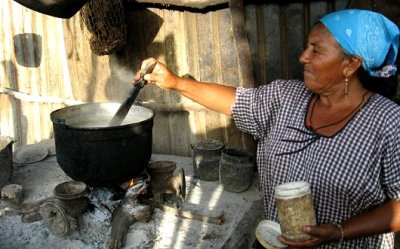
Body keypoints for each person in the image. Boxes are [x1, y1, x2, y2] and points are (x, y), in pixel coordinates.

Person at [135, 9, 400, 248]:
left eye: (316, 50)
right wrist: (175, 82)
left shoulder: (388, 123)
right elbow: (236, 102)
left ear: (350, 64)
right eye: (307, 47)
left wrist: (340, 231)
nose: (303, 57)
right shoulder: (287, 97)